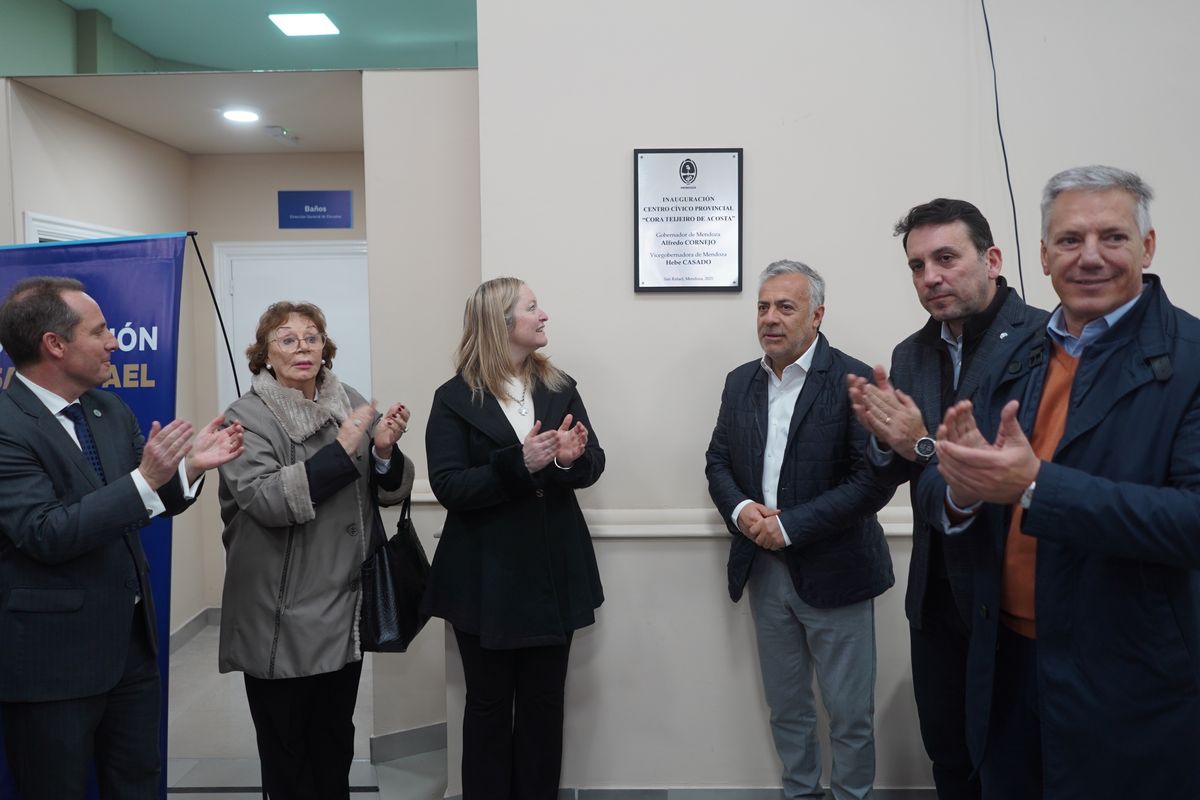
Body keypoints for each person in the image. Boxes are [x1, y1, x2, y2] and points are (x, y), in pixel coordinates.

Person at [917, 165, 1200, 799]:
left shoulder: (1190, 361)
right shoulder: (1019, 357)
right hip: (1005, 661)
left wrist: (1037, 487)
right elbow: (945, 485)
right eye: (1070, 241)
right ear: (1043, 257)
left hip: (1125, 674)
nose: (1090, 257)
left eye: (1113, 238)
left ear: (1147, 247)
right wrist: (962, 485)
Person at [0, 276, 243, 800]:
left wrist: (190, 467)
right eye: (101, 330)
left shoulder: (109, 410)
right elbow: (45, 532)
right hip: (52, 665)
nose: (114, 342)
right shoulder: (5, 425)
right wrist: (147, 479)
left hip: (131, 650)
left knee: (137, 785)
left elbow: (153, 498)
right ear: (55, 344)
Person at [846, 199, 1047, 799]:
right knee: (949, 756)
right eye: (916, 265)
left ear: (991, 259)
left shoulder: (1044, 341)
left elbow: (1002, 471)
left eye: (945, 258)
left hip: (1013, 590)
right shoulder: (911, 353)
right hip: (936, 596)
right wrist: (886, 443)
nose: (930, 277)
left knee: (1014, 765)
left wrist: (921, 444)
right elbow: (893, 472)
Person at [706, 260, 894, 800]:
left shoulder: (854, 381)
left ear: (817, 315)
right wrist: (743, 510)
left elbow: (871, 483)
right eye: (763, 307)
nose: (770, 318)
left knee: (850, 715)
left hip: (838, 572)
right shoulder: (740, 381)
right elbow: (717, 461)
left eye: (785, 306)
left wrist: (790, 527)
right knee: (787, 709)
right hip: (764, 572)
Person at [216, 301, 413, 800]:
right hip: (280, 616)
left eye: (311, 337)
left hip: (344, 606)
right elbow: (265, 499)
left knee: (333, 744)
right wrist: (343, 450)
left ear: (325, 347)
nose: (302, 348)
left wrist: (385, 452)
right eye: (287, 339)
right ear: (264, 354)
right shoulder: (245, 416)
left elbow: (384, 494)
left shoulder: (348, 400)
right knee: (287, 752)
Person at [423, 277, 604, 800]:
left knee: (546, 706)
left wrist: (571, 461)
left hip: (554, 572)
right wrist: (518, 463)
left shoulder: (559, 387)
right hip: (485, 579)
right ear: (501, 324)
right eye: (532, 308)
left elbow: (593, 462)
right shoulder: (454, 398)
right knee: (487, 706)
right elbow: (449, 485)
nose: (543, 315)